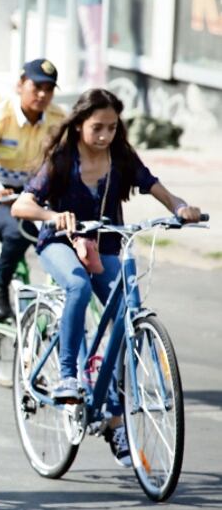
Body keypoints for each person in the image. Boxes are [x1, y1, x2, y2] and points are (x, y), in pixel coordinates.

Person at [11, 88, 201, 466]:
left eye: (112, 128)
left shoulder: (120, 157)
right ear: (80, 124)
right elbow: (22, 204)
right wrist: (54, 217)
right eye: (97, 128)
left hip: (107, 246)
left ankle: (114, 417)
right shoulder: (63, 159)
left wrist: (179, 206)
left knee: (129, 314)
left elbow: (154, 186)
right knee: (78, 287)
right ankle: (67, 376)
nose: (105, 136)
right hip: (60, 244)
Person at [0, 58, 65, 321]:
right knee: (17, 231)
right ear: (20, 85)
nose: (43, 95)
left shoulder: (59, 119)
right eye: (37, 87)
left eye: (50, 89)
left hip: (35, 193)